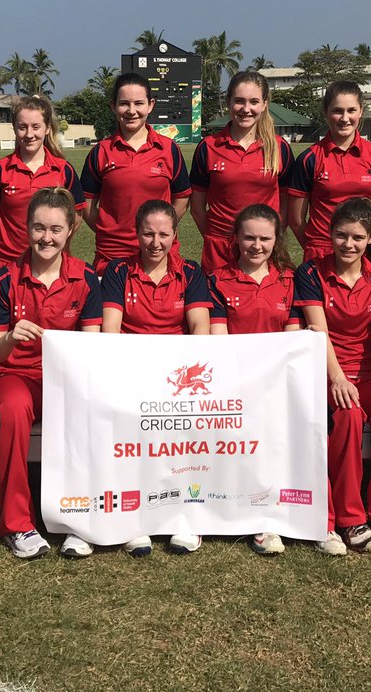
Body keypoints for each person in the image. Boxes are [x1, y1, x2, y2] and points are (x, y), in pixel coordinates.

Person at [0, 188, 102, 559]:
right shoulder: (6, 279)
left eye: (54, 229)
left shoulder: (85, 279)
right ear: (26, 228)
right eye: (38, 228)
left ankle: (78, 518)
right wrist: (11, 337)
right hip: (16, 375)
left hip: (66, 378)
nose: (45, 238)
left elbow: (91, 348)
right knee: (12, 408)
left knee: (90, 410)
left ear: (70, 231)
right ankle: (18, 523)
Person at [98, 199, 212, 558]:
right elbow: (111, 331)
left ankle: (185, 515)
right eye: (148, 233)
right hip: (132, 376)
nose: (155, 242)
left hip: (177, 380)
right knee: (130, 433)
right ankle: (137, 519)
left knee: (184, 438)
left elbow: (200, 329)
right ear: (136, 234)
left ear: (175, 235)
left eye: (163, 234)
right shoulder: (118, 273)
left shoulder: (191, 273)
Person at [295, 199, 371, 557]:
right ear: (329, 234)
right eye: (341, 235)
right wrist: (338, 379)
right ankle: (350, 517)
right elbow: (318, 330)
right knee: (346, 416)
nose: (348, 244)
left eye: (357, 237)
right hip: (328, 372)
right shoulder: (310, 273)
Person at [207, 204, 300, 556]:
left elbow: (292, 341)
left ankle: (274, 516)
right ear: (236, 238)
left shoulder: (290, 280)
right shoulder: (217, 279)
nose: (256, 245)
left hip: (276, 384)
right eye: (249, 237)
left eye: (264, 238)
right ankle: (238, 515)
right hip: (233, 384)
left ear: (277, 241)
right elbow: (218, 340)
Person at [80, 73, 191, 272]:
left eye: (139, 103)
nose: (131, 111)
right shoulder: (100, 151)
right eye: (124, 104)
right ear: (113, 106)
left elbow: (182, 199)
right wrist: (110, 231)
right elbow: (86, 204)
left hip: (159, 254)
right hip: (112, 256)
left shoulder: (169, 149)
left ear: (151, 105)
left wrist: (161, 229)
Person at [189, 71, 294, 272]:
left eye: (254, 101)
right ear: (229, 102)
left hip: (261, 249)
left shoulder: (279, 149)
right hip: (219, 251)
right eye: (239, 101)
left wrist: (267, 239)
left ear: (264, 104)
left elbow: (286, 207)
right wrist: (215, 238)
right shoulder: (208, 147)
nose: (246, 109)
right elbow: (197, 208)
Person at [287, 81, 371, 263]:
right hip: (321, 253)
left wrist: (367, 247)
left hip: (362, 252)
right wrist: (315, 248)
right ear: (326, 113)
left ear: (361, 111)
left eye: (351, 110)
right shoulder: (309, 159)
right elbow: (296, 220)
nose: (345, 118)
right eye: (337, 111)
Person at [0, 95, 86, 272]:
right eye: (22, 127)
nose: (29, 134)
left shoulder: (63, 170)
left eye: (36, 127)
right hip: (10, 264)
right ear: (14, 128)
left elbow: (77, 215)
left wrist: (53, 243)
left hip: (53, 263)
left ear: (47, 129)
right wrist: (9, 241)